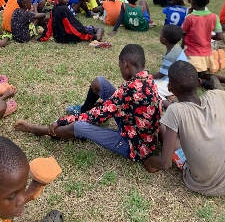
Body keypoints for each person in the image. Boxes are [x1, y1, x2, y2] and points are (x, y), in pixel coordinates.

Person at [15, 44, 162, 161]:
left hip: (133, 146)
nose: (120, 71)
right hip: (134, 130)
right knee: (100, 82)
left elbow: (97, 115)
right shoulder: (148, 79)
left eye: (119, 67)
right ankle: (82, 110)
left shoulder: (130, 89)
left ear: (125, 64)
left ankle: (42, 130)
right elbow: (117, 105)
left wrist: (62, 120)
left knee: (78, 126)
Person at [144, 60, 225, 196]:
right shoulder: (217, 96)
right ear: (199, 83)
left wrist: (149, 162)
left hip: (205, 185)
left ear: (170, 88)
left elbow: (165, 163)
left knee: (162, 128)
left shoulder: (175, 110)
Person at [182, 0, 225, 89]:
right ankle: (224, 79)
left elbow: (183, 34)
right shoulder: (214, 17)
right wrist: (209, 36)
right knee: (202, 74)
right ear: (208, 2)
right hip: (207, 54)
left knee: (187, 76)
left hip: (192, 55)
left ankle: (208, 84)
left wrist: (181, 50)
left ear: (192, 1)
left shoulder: (190, 18)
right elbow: (220, 36)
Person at [39, 0, 104, 43]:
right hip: (68, 37)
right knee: (99, 28)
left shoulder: (54, 8)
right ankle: (97, 38)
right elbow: (73, 26)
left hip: (58, 37)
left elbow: (49, 25)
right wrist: (90, 35)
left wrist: (42, 38)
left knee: (86, 28)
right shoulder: (64, 9)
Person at [151, 25, 187, 102]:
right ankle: (171, 94)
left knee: (151, 90)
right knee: (149, 83)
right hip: (179, 80)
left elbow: (161, 75)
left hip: (175, 83)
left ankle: (168, 104)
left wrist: (145, 76)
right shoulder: (176, 48)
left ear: (164, 40)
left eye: (160, 34)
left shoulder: (170, 57)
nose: (159, 36)